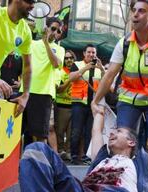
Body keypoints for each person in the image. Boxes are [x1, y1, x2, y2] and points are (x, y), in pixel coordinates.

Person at [91, 0, 148, 188]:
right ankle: (113, 178)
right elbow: (109, 75)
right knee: (121, 141)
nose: (135, 15)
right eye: (133, 10)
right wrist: (96, 100)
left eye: (141, 11)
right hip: (129, 99)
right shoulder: (123, 43)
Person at [19, 107, 148, 191]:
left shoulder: (142, 164)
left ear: (131, 142)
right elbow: (96, 131)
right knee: (36, 149)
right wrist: (98, 109)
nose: (112, 133)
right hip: (84, 189)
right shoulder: (101, 159)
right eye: (112, 131)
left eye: (119, 131)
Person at [21, 17, 65, 146]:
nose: (55, 32)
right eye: (53, 28)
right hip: (25, 92)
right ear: (46, 28)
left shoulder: (60, 49)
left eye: (59, 31)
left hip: (44, 94)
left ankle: (40, 165)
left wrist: (46, 43)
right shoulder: (32, 43)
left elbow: (56, 63)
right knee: (19, 133)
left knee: (40, 135)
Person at [69, 44, 105, 165]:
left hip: (94, 104)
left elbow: (106, 82)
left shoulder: (99, 68)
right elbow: (71, 78)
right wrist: (86, 68)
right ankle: (74, 155)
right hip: (79, 103)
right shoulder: (77, 64)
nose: (91, 55)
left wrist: (102, 69)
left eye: (93, 53)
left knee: (90, 131)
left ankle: (86, 156)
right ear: (84, 53)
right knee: (76, 131)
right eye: (89, 52)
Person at [55, 50, 77, 160]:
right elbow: (58, 90)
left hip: (75, 105)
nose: (69, 60)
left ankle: (68, 152)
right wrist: (69, 80)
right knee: (59, 131)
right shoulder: (60, 72)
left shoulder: (78, 71)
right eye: (66, 58)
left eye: (71, 58)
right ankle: (60, 151)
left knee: (70, 133)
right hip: (61, 105)